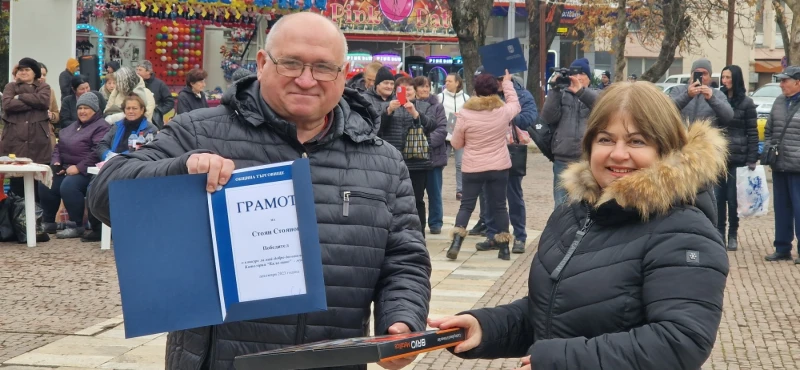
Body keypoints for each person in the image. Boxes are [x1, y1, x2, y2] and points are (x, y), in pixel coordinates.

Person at [87, 12, 431, 370]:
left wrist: (402, 320)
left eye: (323, 68)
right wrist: (179, 170)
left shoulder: (383, 160)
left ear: (343, 74)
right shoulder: (198, 132)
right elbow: (104, 195)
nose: (306, 79)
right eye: (292, 64)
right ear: (263, 63)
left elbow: (405, 260)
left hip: (333, 360)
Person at [431, 82, 729, 370]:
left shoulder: (685, 231)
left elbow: (680, 341)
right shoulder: (574, 213)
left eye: (637, 141)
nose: (618, 153)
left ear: (666, 150)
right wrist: (486, 327)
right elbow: (557, 309)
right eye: (605, 139)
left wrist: (558, 361)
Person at [446, 70, 520, 261]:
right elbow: (515, 105)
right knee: (500, 206)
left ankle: (456, 243)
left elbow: (456, 144)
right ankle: (504, 249)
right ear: (496, 90)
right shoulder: (502, 111)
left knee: (466, 205)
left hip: (473, 167)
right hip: (499, 166)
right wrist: (508, 83)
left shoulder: (465, 113)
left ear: (475, 91)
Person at [474, 68, 538, 253]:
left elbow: (528, 119)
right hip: (489, 150)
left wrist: (506, 111)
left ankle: (520, 236)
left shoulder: (523, 95)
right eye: (495, 79)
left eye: (501, 79)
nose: (498, 83)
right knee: (490, 196)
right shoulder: (486, 95)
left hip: (511, 151)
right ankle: (494, 235)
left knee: (514, 196)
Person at [378, 76, 444, 235]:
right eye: (401, 89)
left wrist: (415, 113)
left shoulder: (425, 106)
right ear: (396, 91)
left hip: (418, 161)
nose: (405, 92)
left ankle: (418, 232)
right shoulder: (387, 105)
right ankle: (393, 231)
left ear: (414, 91)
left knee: (417, 199)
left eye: (408, 89)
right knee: (392, 198)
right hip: (392, 160)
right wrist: (388, 111)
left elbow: (431, 125)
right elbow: (378, 128)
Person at [40, 93, 110, 239]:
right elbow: (59, 147)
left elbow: (97, 151)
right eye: (80, 108)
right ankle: (48, 222)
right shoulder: (73, 126)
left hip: (89, 171)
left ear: (95, 110)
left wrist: (79, 167)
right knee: (46, 180)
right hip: (66, 167)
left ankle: (76, 225)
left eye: (86, 108)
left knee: (69, 185)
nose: (82, 111)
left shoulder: (101, 127)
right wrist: (56, 162)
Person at [542, 57, 599, 206]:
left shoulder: (596, 94)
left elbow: (600, 106)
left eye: (582, 75)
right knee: (561, 203)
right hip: (563, 156)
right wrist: (554, 90)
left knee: (586, 201)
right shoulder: (562, 94)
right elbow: (548, 117)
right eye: (575, 74)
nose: (578, 78)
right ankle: (560, 229)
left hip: (586, 158)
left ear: (589, 78)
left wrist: (581, 92)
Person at [718, 65, 759, 252]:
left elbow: (752, 132)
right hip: (718, 156)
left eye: (728, 77)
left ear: (735, 79)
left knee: (733, 199)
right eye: (723, 77)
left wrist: (752, 158)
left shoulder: (747, 103)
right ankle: (719, 233)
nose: (724, 81)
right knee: (718, 198)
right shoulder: (718, 97)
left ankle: (732, 234)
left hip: (739, 157)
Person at [1, 57, 53, 199]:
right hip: (14, 141)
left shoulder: (44, 87)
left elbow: (43, 101)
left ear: (35, 72)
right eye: (21, 70)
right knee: (17, 185)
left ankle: (36, 218)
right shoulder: (10, 87)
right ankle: (19, 219)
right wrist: (32, 102)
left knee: (38, 188)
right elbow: (7, 105)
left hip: (38, 143)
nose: (23, 72)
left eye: (27, 70)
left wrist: (20, 97)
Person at [763, 66, 800, 263]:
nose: (781, 84)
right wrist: (769, 148)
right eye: (781, 80)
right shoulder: (778, 102)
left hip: (798, 167)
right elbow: (769, 129)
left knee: (799, 208)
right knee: (782, 208)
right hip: (779, 165)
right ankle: (782, 248)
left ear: (797, 83)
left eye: (785, 80)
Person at [412, 76, 448, 234]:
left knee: (434, 192)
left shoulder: (437, 107)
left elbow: (441, 130)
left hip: (433, 156)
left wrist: (423, 143)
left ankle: (435, 223)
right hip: (413, 158)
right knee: (415, 193)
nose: (425, 89)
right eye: (421, 86)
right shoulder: (409, 105)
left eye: (427, 86)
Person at [669, 58, 734, 125]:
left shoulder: (718, 94)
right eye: (697, 73)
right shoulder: (678, 90)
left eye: (704, 73)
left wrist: (712, 99)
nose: (701, 77)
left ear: (710, 77)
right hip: (682, 134)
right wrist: (687, 95)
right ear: (691, 75)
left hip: (706, 134)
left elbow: (729, 116)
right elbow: (667, 110)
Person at [97, 94, 159, 161]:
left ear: (142, 110)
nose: (131, 111)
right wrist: (108, 155)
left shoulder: (150, 130)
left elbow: (146, 151)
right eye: (128, 108)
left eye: (134, 108)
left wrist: (119, 157)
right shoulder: (117, 126)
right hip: (112, 164)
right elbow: (102, 144)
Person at [438, 73, 469, 201]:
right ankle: (436, 190)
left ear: (457, 83)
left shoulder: (466, 98)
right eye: (446, 81)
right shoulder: (440, 97)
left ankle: (460, 190)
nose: (447, 83)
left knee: (460, 164)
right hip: (444, 136)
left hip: (460, 135)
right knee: (440, 164)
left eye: (450, 81)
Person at [136, 60, 174, 129]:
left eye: (140, 70)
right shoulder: (135, 84)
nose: (137, 72)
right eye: (137, 70)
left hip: (154, 123)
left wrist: (158, 110)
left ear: (148, 72)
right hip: (137, 120)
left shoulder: (160, 85)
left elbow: (170, 102)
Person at [36, 63, 59, 147]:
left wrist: (52, 115)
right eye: (40, 74)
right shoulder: (26, 91)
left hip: (47, 132)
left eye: (44, 75)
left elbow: (57, 114)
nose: (42, 77)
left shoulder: (51, 91)